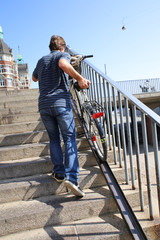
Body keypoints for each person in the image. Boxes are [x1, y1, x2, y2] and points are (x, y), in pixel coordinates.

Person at [32, 35, 90, 197]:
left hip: (44, 105)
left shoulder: (41, 60)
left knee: (54, 139)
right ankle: (72, 178)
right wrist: (79, 78)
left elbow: (34, 77)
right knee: (69, 138)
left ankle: (59, 172)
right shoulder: (62, 55)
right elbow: (63, 64)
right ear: (63, 47)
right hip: (60, 104)